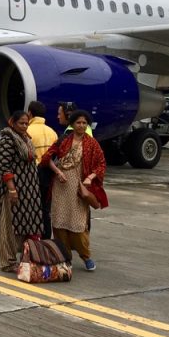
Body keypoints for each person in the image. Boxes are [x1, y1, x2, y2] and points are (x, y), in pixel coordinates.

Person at [43, 109, 106, 271]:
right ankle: (65, 257)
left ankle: (86, 256)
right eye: (78, 122)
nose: (82, 126)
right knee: (59, 222)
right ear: (72, 124)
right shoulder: (64, 140)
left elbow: (101, 164)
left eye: (84, 123)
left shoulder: (92, 143)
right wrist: (58, 172)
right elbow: (47, 158)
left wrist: (90, 178)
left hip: (79, 187)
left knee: (78, 224)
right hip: (61, 186)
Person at [0, 111, 43, 273]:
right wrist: (12, 189)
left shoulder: (25, 138)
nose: (24, 126)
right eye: (21, 123)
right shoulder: (8, 139)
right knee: (10, 225)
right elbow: (5, 167)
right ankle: (8, 261)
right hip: (13, 189)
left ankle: (24, 256)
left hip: (29, 191)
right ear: (12, 122)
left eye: (27, 123)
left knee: (26, 224)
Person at [26, 101, 58, 240]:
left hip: (33, 174)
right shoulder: (52, 132)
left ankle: (32, 239)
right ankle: (46, 238)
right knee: (45, 208)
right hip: (48, 174)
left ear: (30, 113)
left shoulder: (27, 131)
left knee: (31, 208)